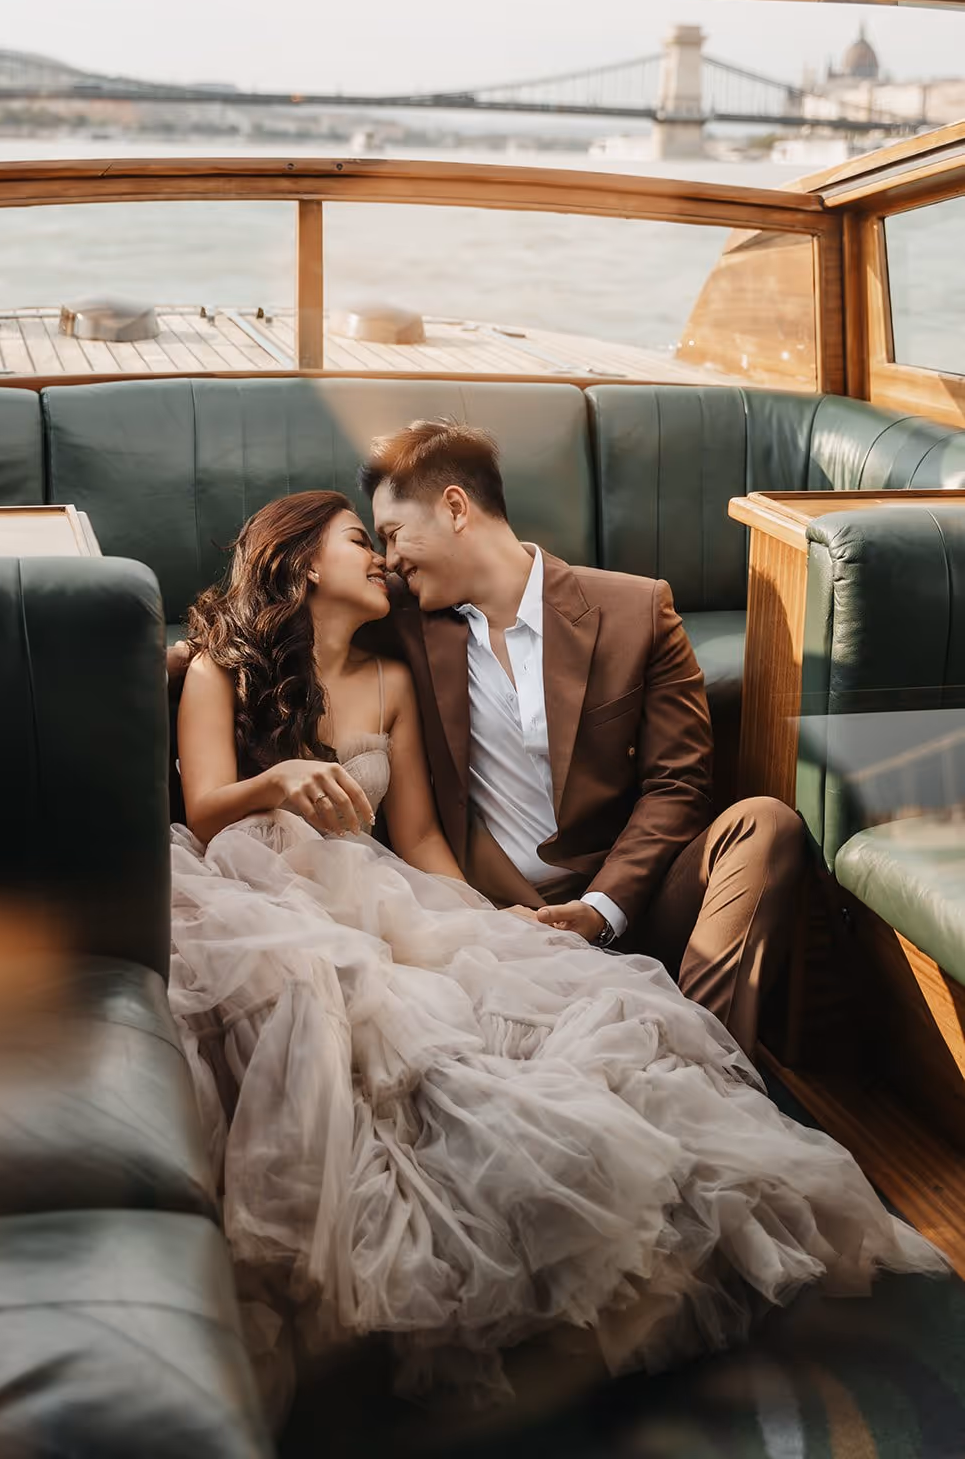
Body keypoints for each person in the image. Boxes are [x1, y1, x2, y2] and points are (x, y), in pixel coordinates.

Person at [167, 486, 943, 1415]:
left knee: (519, 1033)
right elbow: (207, 807)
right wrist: (280, 779)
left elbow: (414, 840)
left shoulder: (391, 679)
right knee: (327, 1022)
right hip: (253, 895)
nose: (379, 556)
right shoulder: (221, 668)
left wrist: (477, 928)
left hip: (376, 892)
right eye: (356, 541)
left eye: (383, 539)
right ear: (300, 561)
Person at [358, 417, 801, 1059]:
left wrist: (601, 906)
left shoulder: (637, 610)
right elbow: (283, 617)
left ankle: (708, 1059)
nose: (389, 557)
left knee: (766, 826)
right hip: (501, 921)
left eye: (395, 533)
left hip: (631, 900)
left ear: (455, 507)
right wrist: (176, 657)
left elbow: (677, 785)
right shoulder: (400, 618)